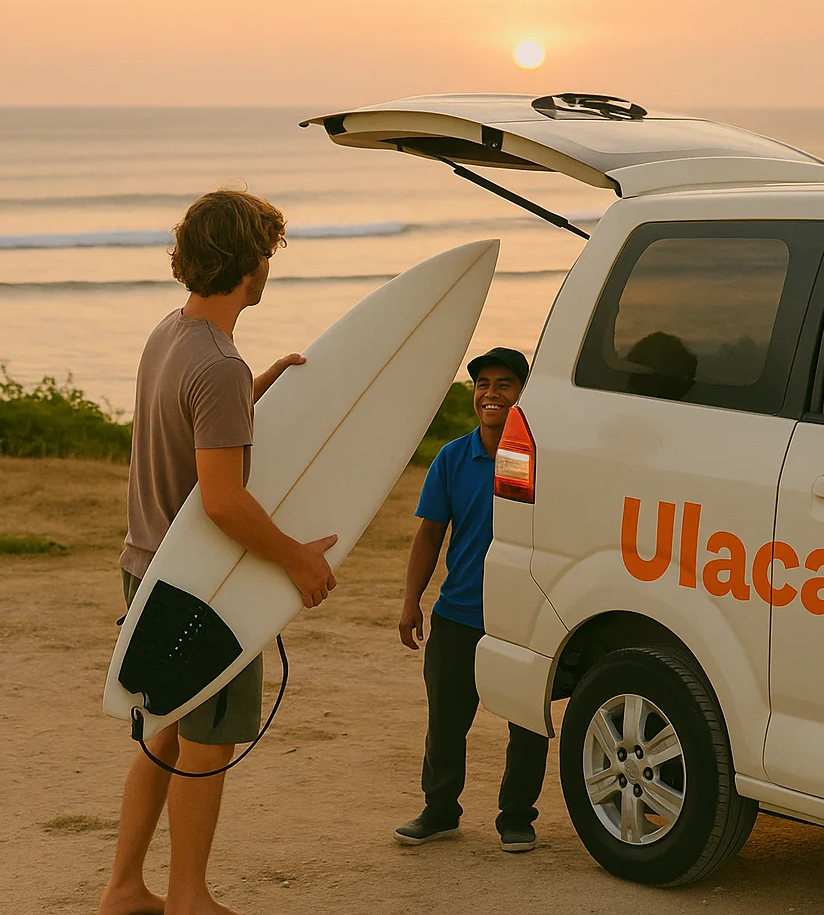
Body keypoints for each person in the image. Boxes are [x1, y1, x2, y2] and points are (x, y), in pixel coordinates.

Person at [98, 190, 338, 915]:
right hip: (200, 588)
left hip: (145, 567)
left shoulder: (172, 333)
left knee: (161, 733)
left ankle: (124, 889)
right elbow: (224, 502)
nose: (269, 267)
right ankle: (189, 898)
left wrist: (254, 391)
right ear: (247, 263)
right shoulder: (219, 365)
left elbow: (188, 422)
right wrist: (296, 556)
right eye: (266, 253)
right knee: (207, 742)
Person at [394, 347, 549, 853]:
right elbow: (429, 535)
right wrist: (410, 600)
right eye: (483, 383)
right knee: (445, 723)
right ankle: (439, 812)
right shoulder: (452, 458)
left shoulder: (543, 458)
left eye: (505, 384)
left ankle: (517, 818)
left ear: (524, 394)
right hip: (458, 614)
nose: (491, 393)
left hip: (525, 617)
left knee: (526, 724)